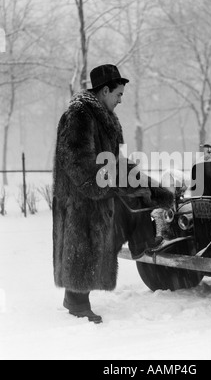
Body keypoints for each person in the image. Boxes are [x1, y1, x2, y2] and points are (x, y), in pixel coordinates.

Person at [52, 64, 174, 324]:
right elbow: (75, 160)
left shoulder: (105, 119)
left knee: (135, 202)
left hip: (99, 192)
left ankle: (143, 241)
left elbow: (115, 162)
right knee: (83, 244)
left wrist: (150, 186)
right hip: (79, 197)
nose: (120, 100)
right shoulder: (79, 115)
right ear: (105, 90)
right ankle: (75, 302)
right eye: (118, 94)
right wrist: (107, 185)